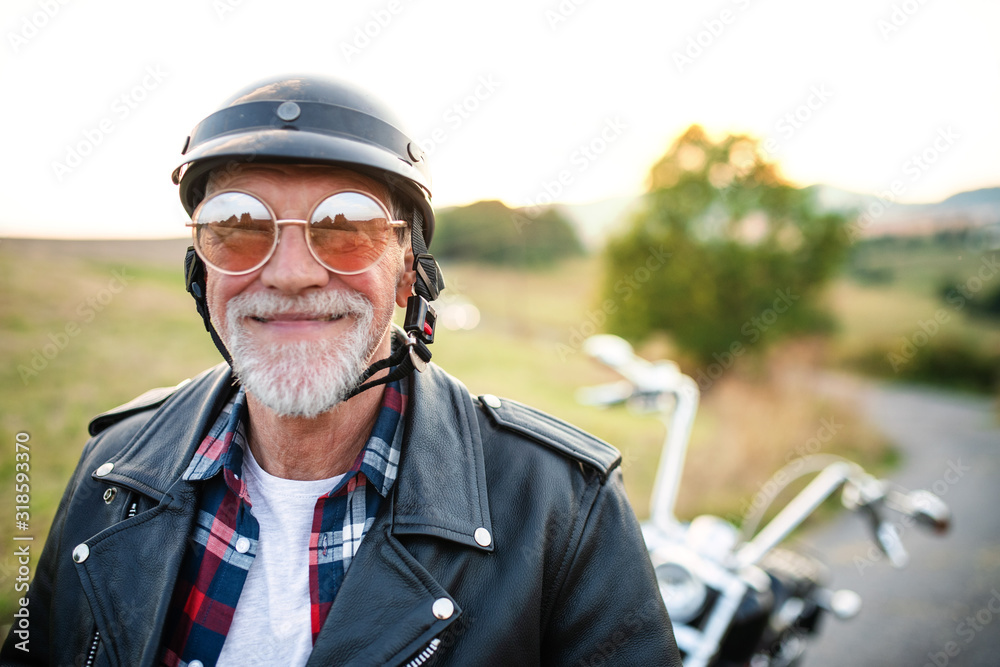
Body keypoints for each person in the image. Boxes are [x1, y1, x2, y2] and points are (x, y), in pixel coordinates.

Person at [2, 75, 681, 666]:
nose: (292, 273)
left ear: (408, 270)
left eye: (346, 224)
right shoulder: (112, 467)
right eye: (239, 224)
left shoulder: (563, 509)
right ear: (200, 269)